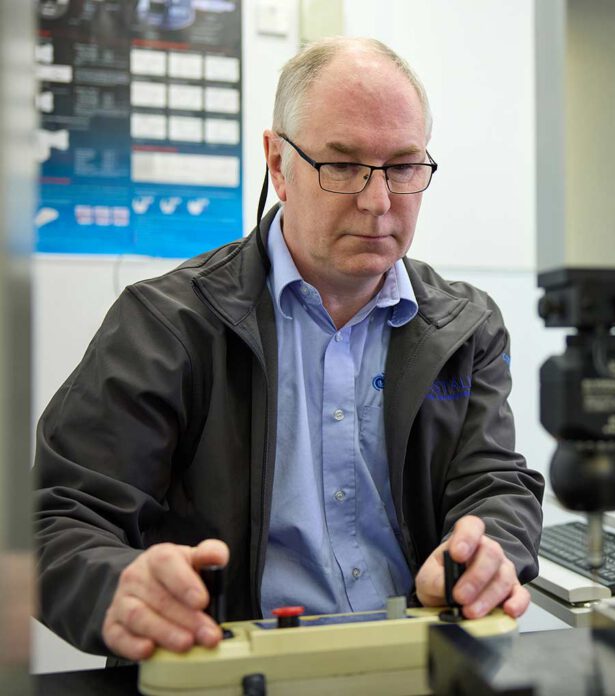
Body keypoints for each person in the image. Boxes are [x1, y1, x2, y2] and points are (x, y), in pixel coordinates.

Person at [34, 36, 544, 661]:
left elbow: (494, 481)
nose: (378, 201)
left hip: (419, 660)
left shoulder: (464, 328)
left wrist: (491, 547)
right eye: (343, 165)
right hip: (229, 669)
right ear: (278, 164)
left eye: (405, 167)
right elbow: (54, 518)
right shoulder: (168, 327)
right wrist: (118, 587)